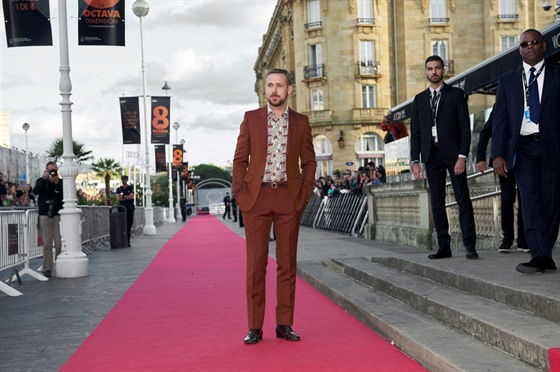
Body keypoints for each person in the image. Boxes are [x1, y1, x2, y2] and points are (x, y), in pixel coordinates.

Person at [233, 68, 316, 345]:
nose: (274, 91)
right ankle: (254, 327)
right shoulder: (251, 119)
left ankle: (284, 324)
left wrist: (303, 196)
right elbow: (239, 159)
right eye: (270, 85)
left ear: (289, 89)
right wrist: (241, 193)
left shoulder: (302, 122)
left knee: (286, 265)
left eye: (279, 85)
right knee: (255, 265)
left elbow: (309, 162)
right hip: (256, 199)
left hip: (287, 198)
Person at [491, 29, 560, 274]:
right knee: (530, 202)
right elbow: (499, 120)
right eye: (524, 43)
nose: (529, 46)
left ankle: (544, 252)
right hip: (523, 147)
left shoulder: (557, 75)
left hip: (553, 146)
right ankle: (540, 256)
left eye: (534, 42)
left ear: (543, 46)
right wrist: (497, 153)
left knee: (552, 203)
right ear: (520, 49)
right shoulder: (508, 80)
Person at [410, 55, 478, 260]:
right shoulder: (419, 99)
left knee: (462, 198)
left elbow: (465, 129)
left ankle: (469, 245)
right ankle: (444, 246)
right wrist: (415, 161)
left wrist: (462, 156)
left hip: (453, 155)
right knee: (437, 202)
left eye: (437, 68)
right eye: (430, 69)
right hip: (431, 156)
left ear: (442, 70)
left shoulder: (456, 95)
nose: (434, 72)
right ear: (426, 72)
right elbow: (416, 133)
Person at [476, 107, 528, 253]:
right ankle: (507, 239)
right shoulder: (501, 106)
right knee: (507, 199)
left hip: (526, 158)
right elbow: (485, 132)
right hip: (503, 160)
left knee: (526, 199)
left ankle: (524, 240)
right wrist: (481, 158)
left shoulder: (529, 104)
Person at [33, 161, 63, 278]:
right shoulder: (42, 181)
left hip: (57, 215)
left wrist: (56, 182)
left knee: (59, 242)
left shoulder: (60, 183)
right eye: (50, 170)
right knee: (47, 243)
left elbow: (64, 195)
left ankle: (60, 265)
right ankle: (47, 268)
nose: (53, 172)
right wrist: (45, 178)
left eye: (54, 170)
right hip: (45, 214)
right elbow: (35, 191)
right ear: (46, 170)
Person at [116, 175, 135, 247]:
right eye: (122, 179)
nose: (123, 181)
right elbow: (118, 198)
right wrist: (126, 197)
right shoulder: (119, 189)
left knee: (128, 225)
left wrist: (123, 197)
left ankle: (128, 241)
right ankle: (122, 241)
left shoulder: (130, 188)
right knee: (122, 225)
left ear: (127, 180)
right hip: (121, 209)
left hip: (129, 208)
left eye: (125, 179)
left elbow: (131, 196)